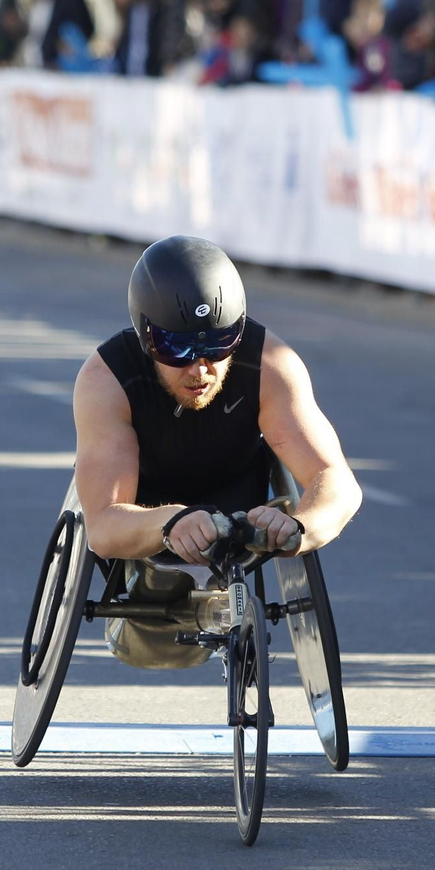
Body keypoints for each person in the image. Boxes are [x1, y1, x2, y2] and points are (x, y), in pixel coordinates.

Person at [72, 237, 362, 669]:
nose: (200, 368)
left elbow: (335, 480)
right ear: (146, 335)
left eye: (219, 344)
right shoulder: (106, 379)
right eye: (177, 349)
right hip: (148, 511)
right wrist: (170, 522)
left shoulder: (271, 363)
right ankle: (158, 591)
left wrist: (301, 526)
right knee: (156, 626)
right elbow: (103, 525)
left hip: (238, 499)